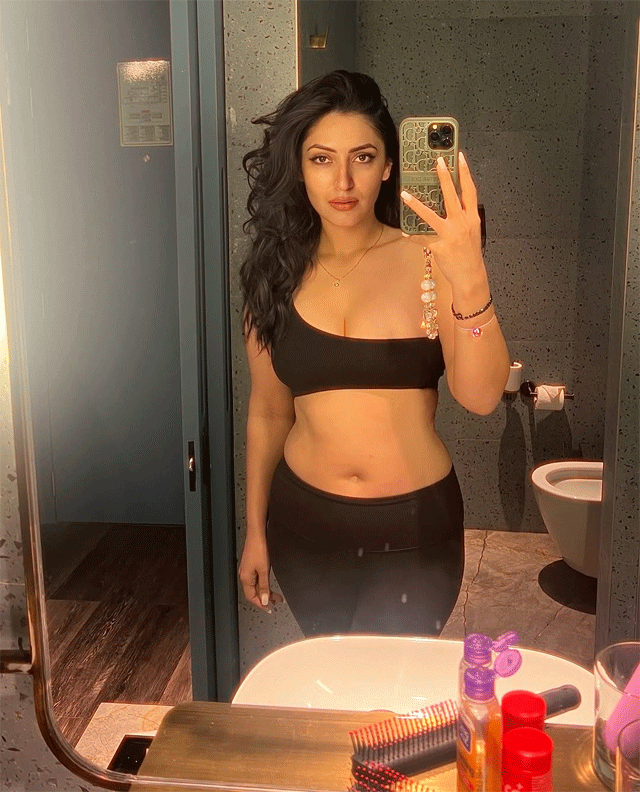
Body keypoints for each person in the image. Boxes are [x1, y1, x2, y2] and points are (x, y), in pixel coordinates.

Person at [238, 70, 510, 637]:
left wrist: (471, 277)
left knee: (388, 686)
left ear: (388, 166)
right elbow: (268, 412)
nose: (342, 180)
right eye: (321, 159)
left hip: (414, 532)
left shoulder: (431, 258)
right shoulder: (276, 272)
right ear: (300, 168)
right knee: (336, 683)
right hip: (303, 529)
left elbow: (482, 397)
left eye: (362, 158)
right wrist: (255, 531)